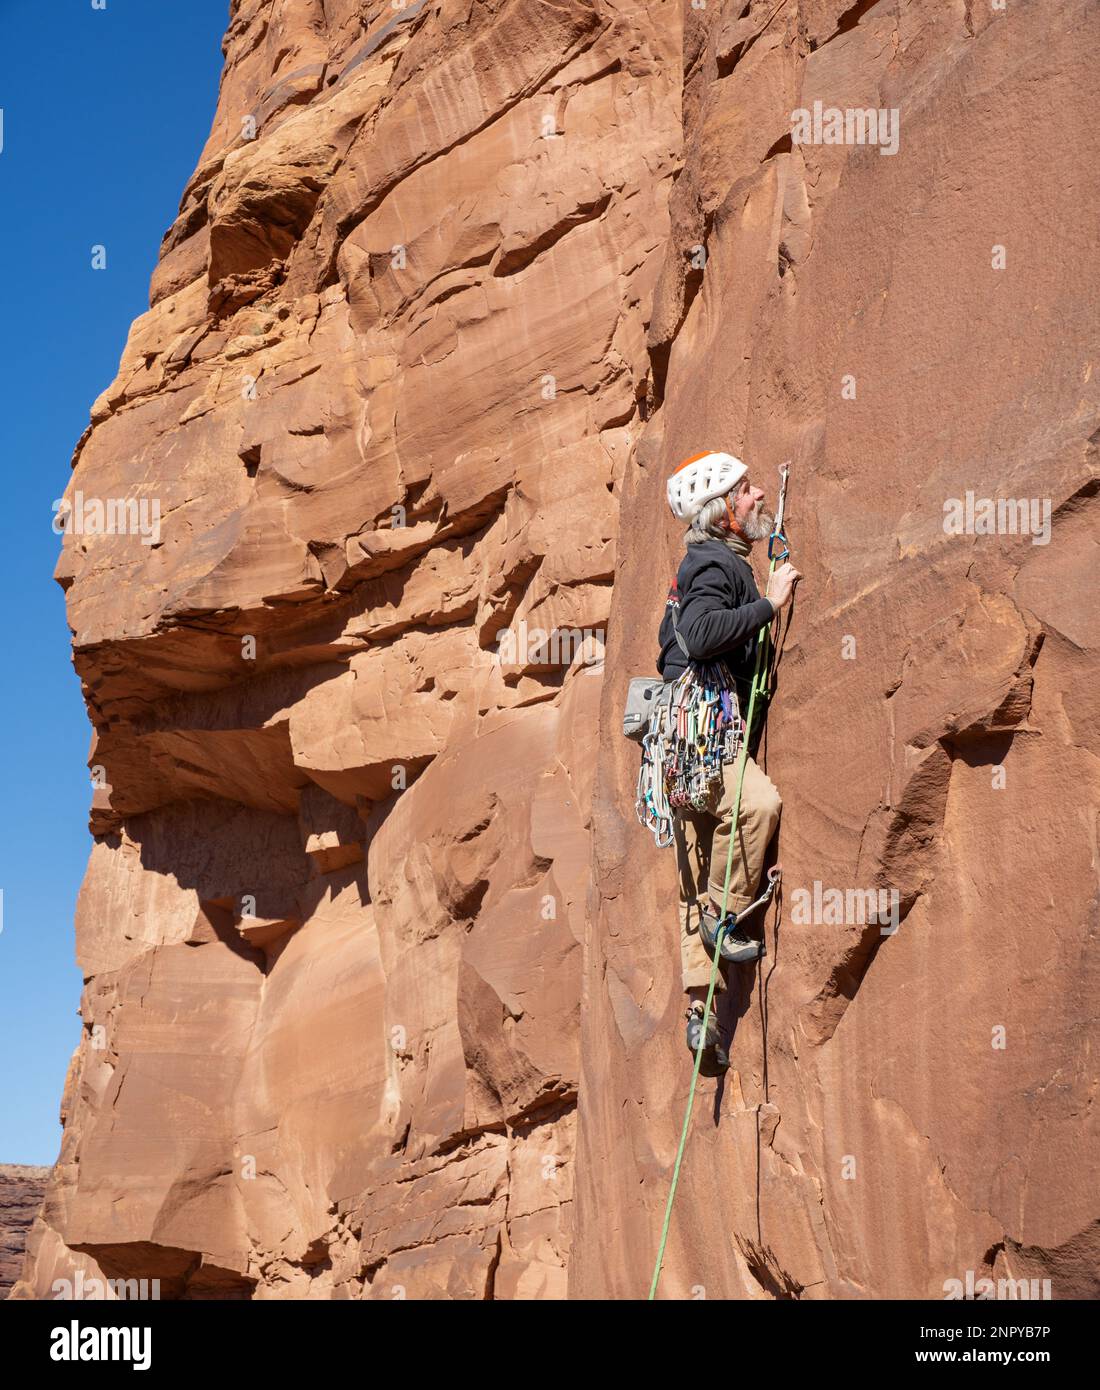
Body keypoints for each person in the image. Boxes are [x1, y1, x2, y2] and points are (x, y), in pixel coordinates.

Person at [657, 451, 800, 1071]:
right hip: (703, 732)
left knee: (697, 864)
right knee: (756, 804)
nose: (758, 494)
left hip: (677, 747)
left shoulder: (700, 564)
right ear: (723, 512)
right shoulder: (711, 562)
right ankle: (722, 919)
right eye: (746, 490)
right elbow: (702, 631)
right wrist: (768, 602)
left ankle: (701, 1013)